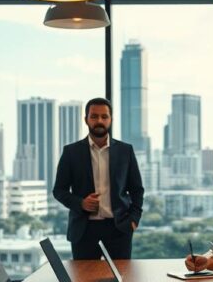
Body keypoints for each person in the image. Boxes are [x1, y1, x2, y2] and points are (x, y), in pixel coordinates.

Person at [52, 98, 144, 260]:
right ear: (86, 119)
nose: (99, 121)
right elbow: (59, 191)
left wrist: (134, 219)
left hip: (119, 229)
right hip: (84, 230)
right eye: (94, 116)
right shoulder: (71, 152)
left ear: (111, 119)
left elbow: (137, 189)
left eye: (104, 116)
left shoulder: (125, 151)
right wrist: (81, 203)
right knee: (84, 281)